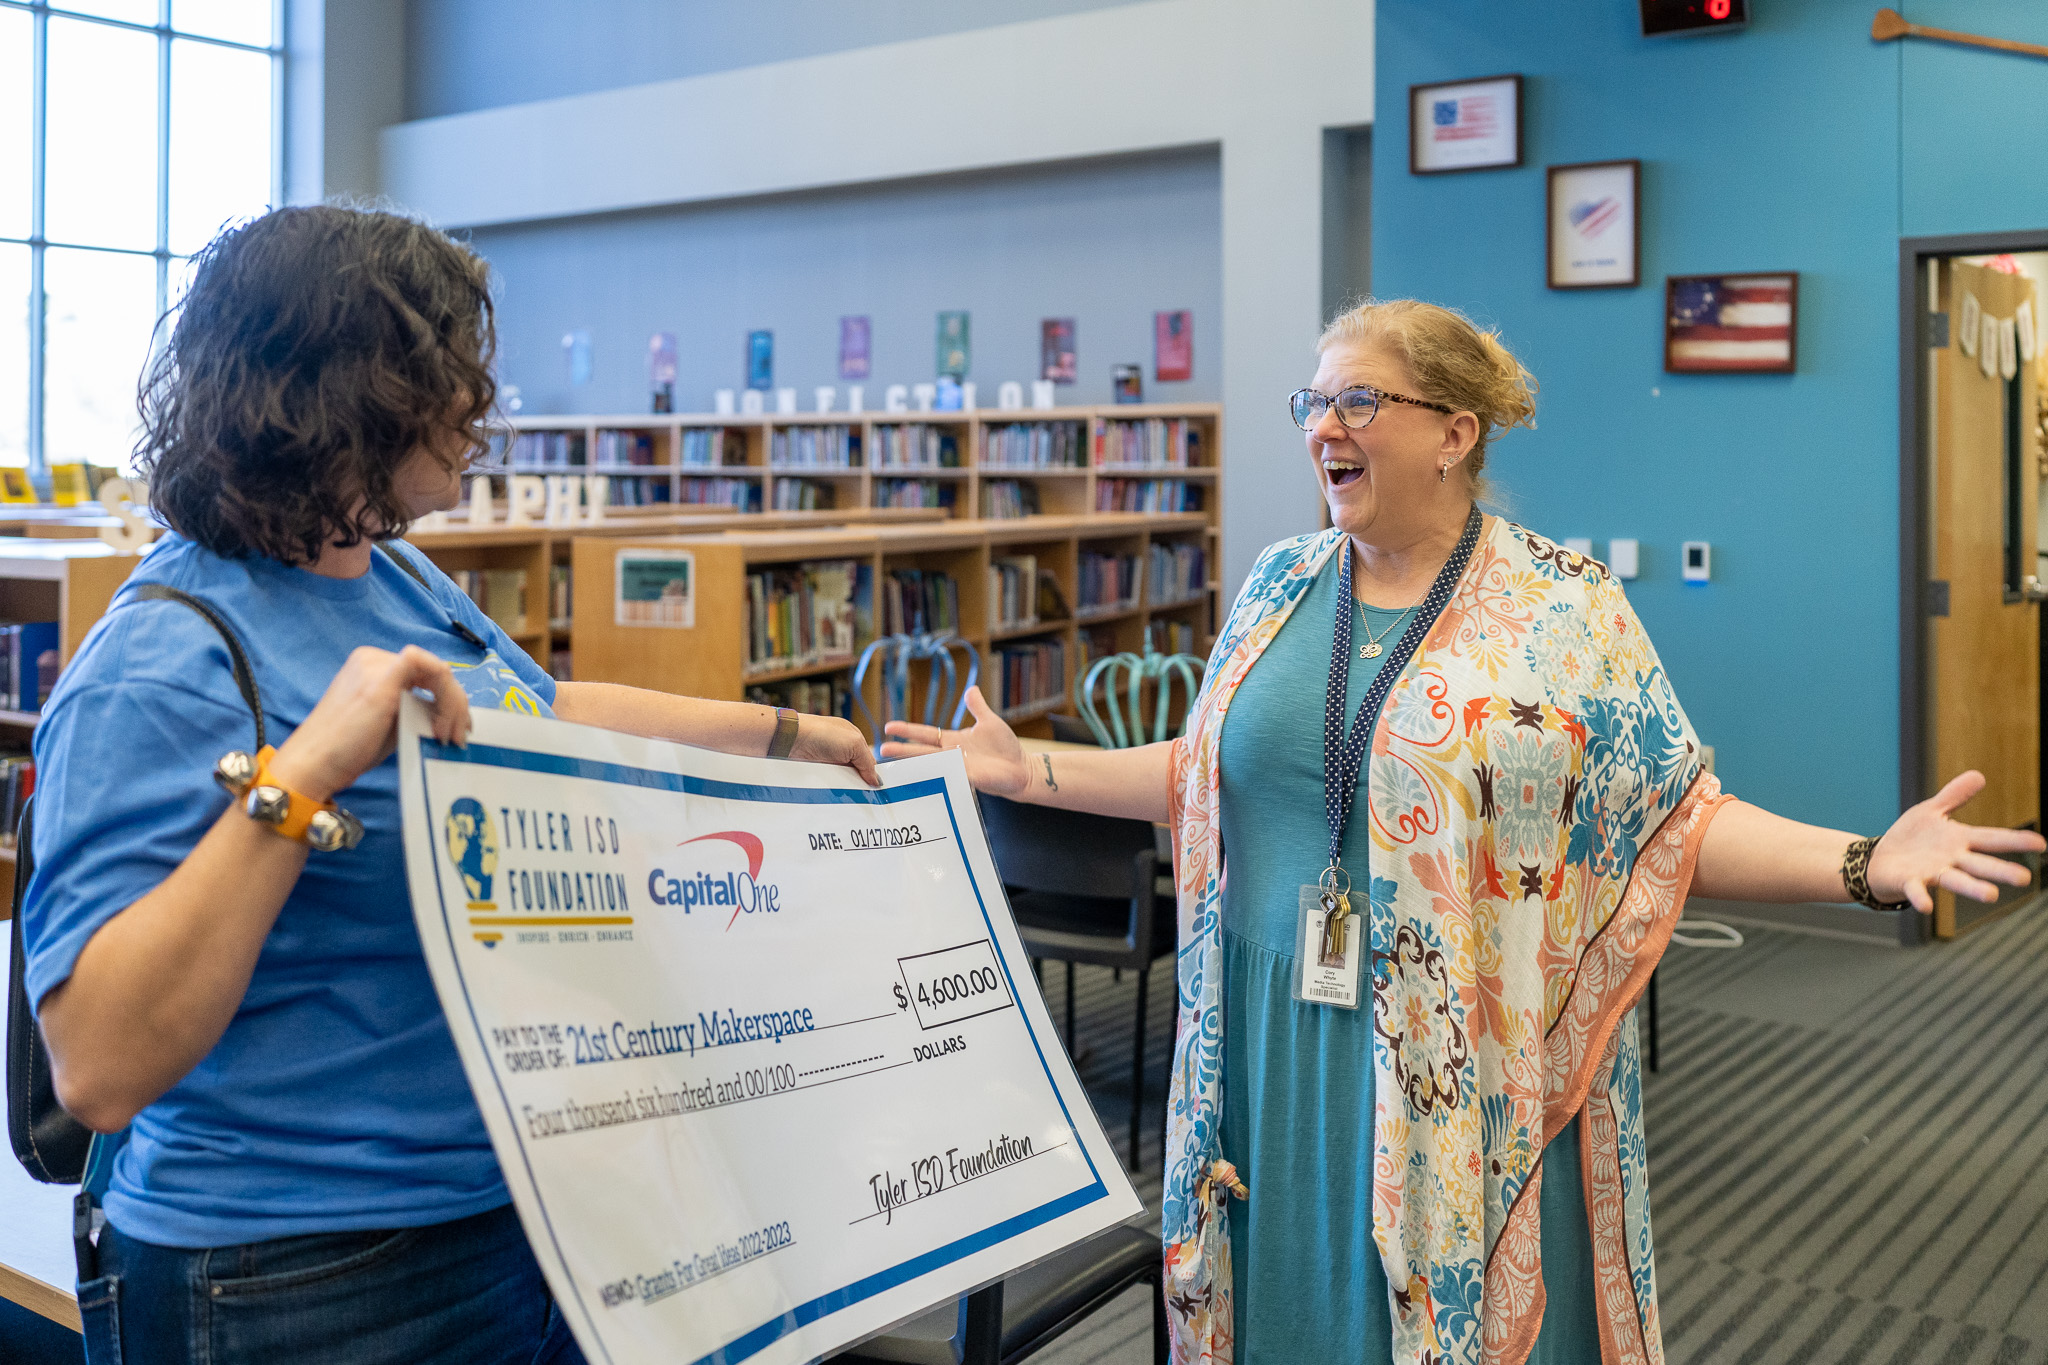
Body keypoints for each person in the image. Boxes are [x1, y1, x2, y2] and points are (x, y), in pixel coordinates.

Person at [882, 297, 2043, 1365]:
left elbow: (1666, 825)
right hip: (1264, 1031)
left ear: (1452, 432)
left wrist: (1864, 866)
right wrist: (1024, 768)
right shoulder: (1283, 581)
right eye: (1312, 402)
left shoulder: (1562, 608)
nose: (1320, 429)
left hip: (1454, 1050)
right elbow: (1207, 776)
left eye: (1355, 401)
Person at [19, 205, 879, 1365]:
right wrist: (312, 768)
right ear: (349, 397)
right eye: (452, 381)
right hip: (292, 1272)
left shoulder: (396, 573)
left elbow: (542, 712)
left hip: (516, 1211)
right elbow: (101, 1066)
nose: (484, 415)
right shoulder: (155, 665)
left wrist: (783, 734)